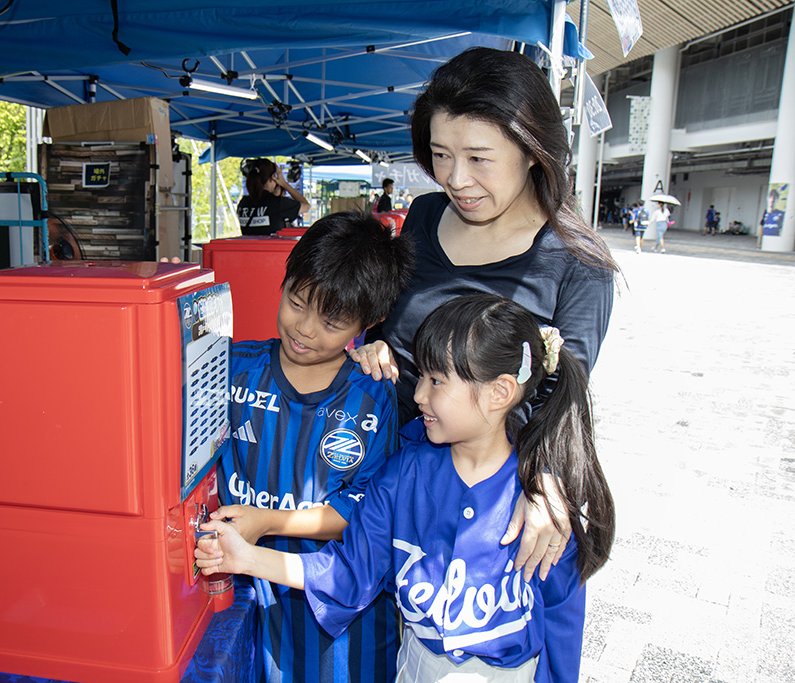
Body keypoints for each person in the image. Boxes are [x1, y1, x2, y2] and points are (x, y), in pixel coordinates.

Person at [198, 293, 616, 683]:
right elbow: (346, 572)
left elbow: (561, 616)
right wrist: (248, 557)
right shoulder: (402, 475)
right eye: (420, 376)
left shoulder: (541, 502)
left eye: (436, 381)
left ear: (500, 392)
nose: (417, 394)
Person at [348, 47, 618, 579]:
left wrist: (548, 485)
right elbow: (385, 326)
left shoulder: (577, 262)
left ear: (533, 150)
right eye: (440, 155)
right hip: (388, 482)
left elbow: (565, 397)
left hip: (489, 512)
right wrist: (371, 344)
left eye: (479, 158)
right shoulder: (424, 217)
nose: (456, 179)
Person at [218, 211, 414, 683]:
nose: (305, 329)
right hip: (249, 600)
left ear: (370, 322)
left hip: (342, 624)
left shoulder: (371, 395)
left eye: (332, 321)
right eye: (297, 301)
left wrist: (268, 521)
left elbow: (362, 510)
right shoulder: (232, 369)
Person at [237, 157, 311, 235]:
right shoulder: (277, 203)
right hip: (271, 247)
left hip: (246, 247)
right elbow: (306, 206)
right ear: (272, 178)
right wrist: (284, 183)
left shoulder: (243, 203)